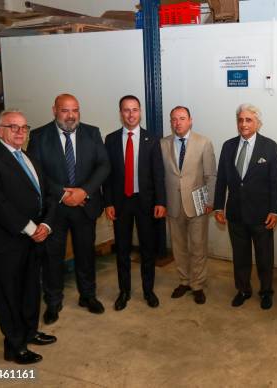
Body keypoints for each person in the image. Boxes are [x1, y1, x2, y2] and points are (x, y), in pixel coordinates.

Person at [0, 110, 57, 364]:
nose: (20, 132)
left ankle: (29, 332)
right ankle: (14, 346)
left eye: (24, 127)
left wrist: (47, 225)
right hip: (6, 242)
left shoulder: (30, 158)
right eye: (13, 127)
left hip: (35, 238)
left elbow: (48, 194)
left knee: (30, 290)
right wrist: (31, 228)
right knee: (8, 295)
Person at [27, 94, 110, 324]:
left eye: (75, 110)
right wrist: (63, 194)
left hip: (86, 205)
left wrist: (84, 191)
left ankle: (88, 296)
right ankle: (53, 302)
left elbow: (104, 165)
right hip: (55, 209)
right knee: (53, 257)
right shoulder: (39, 136)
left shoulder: (92, 133)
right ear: (54, 110)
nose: (71, 115)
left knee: (86, 253)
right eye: (65, 110)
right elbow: (36, 172)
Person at [214, 104, 277, 309]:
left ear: (257, 123)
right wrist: (218, 207)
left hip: (262, 214)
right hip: (235, 213)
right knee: (240, 256)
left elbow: (275, 182)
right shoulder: (228, 146)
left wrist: (274, 210)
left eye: (248, 120)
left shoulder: (269, 146)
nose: (244, 124)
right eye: (240, 120)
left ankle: (266, 292)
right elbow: (222, 180)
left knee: (264, 257)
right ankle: (243, 289)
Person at [103, 95, 166, 310]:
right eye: (126, 110)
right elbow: (108, 175)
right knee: (122, 249)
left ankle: (149, 291)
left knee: (148, 249)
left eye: (135, 110)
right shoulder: (110, 140)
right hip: (121, 203)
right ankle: (124, 292)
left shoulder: (152, 139)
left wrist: (161, 201)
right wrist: (108, 203)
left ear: (140, 112)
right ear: (120, 113)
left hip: (145, 202)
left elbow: (158, 173)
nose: (131, 114)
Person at [162, 106, 216, 305]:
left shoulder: (204, 143)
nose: (178, 123)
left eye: (182, 118)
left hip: (198, 203)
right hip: (173, 204)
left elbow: (210, 174)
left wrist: (210, 201)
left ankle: (198, 285)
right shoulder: (163, 144)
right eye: (174, 119)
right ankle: (184, 281)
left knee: (198, 246)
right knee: (179, 247)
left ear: (190, 120)